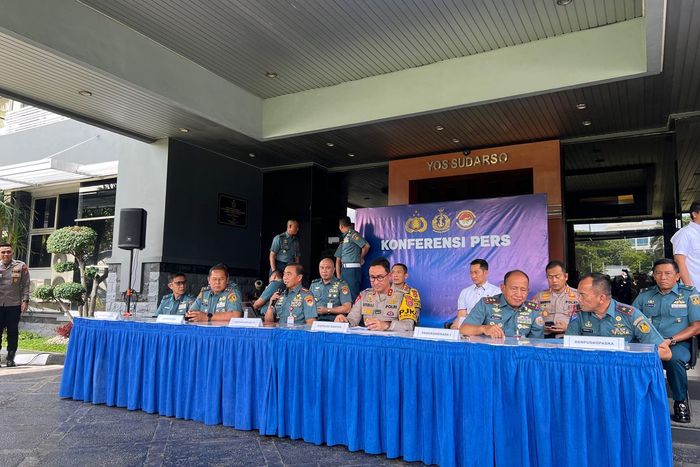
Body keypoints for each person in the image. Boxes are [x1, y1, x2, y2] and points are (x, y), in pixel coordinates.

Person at [632, 259, 700, 423]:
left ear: (677, 276)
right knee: (630, 358)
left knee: (673, 359)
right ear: (654, 276)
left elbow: (696, 327)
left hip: (678, 344)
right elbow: (630, 319)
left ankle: (680, 401)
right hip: (648, 343)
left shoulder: (690, 294)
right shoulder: (644, 295)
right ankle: (638, 403)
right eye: (658, 273)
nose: (663, 277)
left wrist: (670, 340)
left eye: (668, 273)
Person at [566, 273, 671, 361]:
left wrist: (627, 352)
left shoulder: (630, 315)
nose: (578, 299)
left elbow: (665, 352)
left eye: (582, 295)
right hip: (591, 370)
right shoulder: (579, 313)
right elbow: (568, 348)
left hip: (623, 370)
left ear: (601, 298)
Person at [336, 257, 418, 332]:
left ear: (389, 276)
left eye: (380, 277)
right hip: (369, 342)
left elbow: (409, 325)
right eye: (372, 277)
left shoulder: (404, 296)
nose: (375, 282)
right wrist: (344, 321)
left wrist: (387, 325)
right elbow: (353, 319)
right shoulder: (364, 295)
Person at [460, 270, 544, 338]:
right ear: (503, 288)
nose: (519, 294)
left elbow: (536, 343)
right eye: (514, 289)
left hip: (521, 356)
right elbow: (463, 329)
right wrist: (483, 328)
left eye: (523, 290)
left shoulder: (534, 311)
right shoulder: (486, 304)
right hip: (491, 354)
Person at [0, 243, 30, 368]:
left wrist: (25, 301)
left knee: (13, 332)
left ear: (12, 252)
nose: (6, 254)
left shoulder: (21, 265)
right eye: (3, 252)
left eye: (8, 251)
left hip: (14, 305)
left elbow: (26, 284)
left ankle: (10, 358)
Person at [532, 260, 580, 337]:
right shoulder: (539, 296)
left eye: (557, 277)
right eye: (550, 277)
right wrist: (540, 325)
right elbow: (531, 317)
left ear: (566, 276)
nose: (554, 281)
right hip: (545, 337)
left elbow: (586, 320)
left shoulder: (578, 295)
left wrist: (568, 327)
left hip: (568, 336)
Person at [451, 259, 501, 329]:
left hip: (489, 329)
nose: (473, 276)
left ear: (486, 273)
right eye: (471, 273)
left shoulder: (497, 292)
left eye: (476, 272)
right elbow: (461, 316)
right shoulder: (465, 292)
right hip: (468, 329)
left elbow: (497, 316)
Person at [335, 216, 369, 299]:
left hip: (352, 270)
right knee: (344, 294)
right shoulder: (344, 238)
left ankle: (354, 311)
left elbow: (366, 246)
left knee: (353, 294)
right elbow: (338, 258)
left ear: (341, 226)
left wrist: (361, 258)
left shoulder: (353, 234)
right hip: (344, 270)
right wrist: (338, 275)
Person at [672, 201, 700, 286]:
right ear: (694, 214)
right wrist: (689, 290)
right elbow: (679, 261)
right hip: (696, 291)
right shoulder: (685, 233)